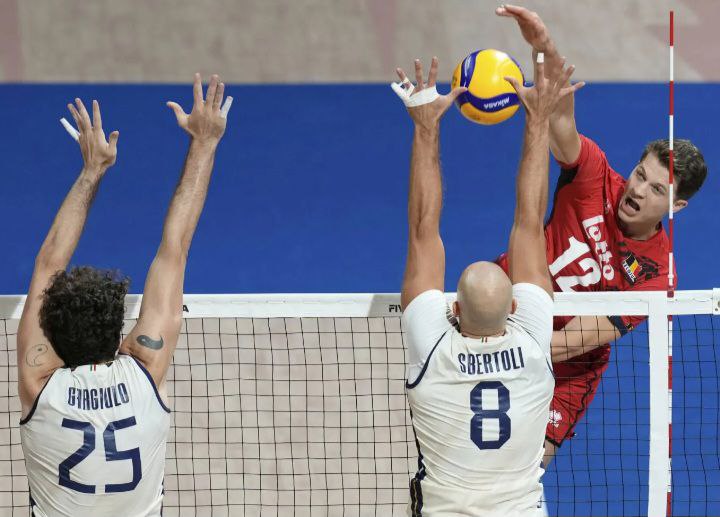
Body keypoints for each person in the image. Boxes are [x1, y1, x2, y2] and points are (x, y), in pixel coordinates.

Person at [496, 3, 708, 465]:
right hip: (508, 300)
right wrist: (543, 46)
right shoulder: (593, 177)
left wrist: (502, 351)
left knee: (529, 467)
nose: (638, 190)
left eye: (657, 190)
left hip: (566, 364)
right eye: (640, 174)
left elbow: (576, 341)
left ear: (676, 207)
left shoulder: (658, 275)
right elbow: (560, 118)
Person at [17, 73, 231, 517]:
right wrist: (204, 143)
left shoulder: (41, 386)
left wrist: (91, 171)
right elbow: (174, 250)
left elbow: (48, 265)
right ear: (119, 334)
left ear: (53, 336)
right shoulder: (144, 371)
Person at [393, 52, 581, 516]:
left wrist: (426, 127)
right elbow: (530, 224)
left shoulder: (434, 348)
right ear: (515, 307)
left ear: (453, 310)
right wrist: (538, 120)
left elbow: (422, 231)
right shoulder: (532, 342)